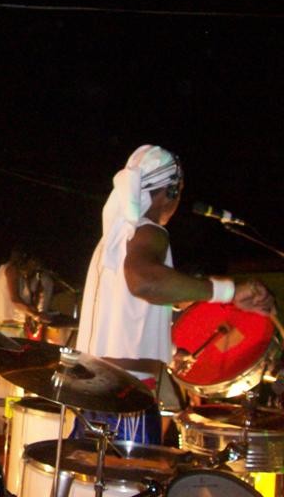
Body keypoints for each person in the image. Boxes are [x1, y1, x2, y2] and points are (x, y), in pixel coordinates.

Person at [75, 144, 274, 444]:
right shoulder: (149, 231)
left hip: (98, 393)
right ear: (171, 191)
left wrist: (170, 352)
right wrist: (229, 292)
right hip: (126, 400)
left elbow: (134, 312)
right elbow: (146, 284)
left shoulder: (118, 237)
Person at [0, 245, 57, 341]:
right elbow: (15, 300)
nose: (34, 268)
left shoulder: (1, 271)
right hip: (10, 328)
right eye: (33, 263)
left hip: (4, 326)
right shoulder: (12, 270)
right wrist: (36, 315)